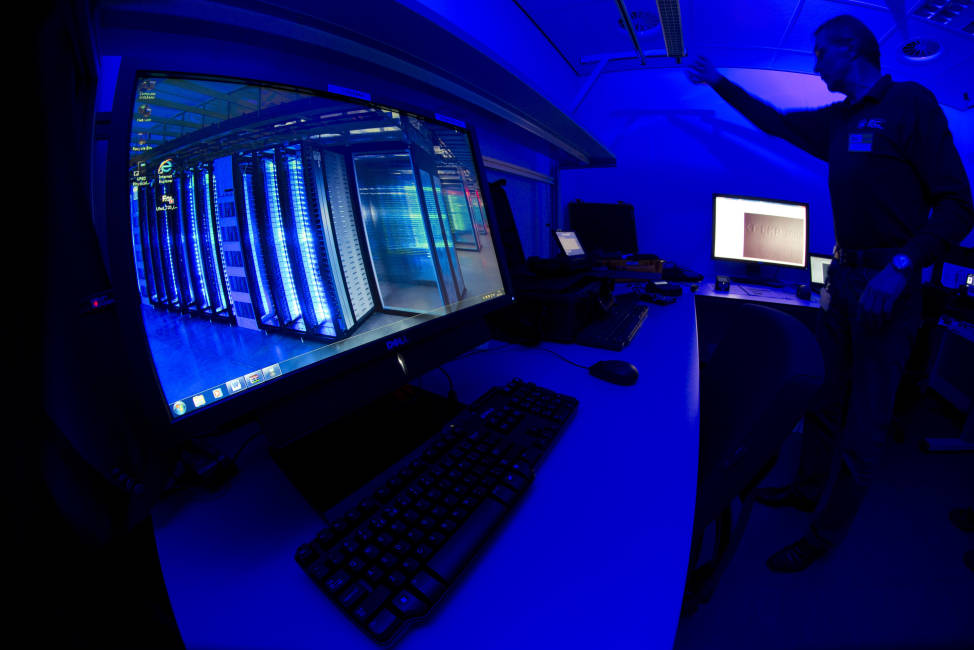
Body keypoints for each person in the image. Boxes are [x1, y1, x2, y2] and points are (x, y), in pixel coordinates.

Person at [686, 15, 974, 572]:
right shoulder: (839, 122)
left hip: (890, 283)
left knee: (865, 422)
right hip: (843, 281)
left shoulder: (911, 102)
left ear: (850, 49)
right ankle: (805, 488)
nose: (816, 65)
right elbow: (773, 124)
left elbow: (959, 205)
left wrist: (900, 266)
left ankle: (823, 535)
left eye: (821, 53)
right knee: (824, 398)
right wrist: (718, 82)